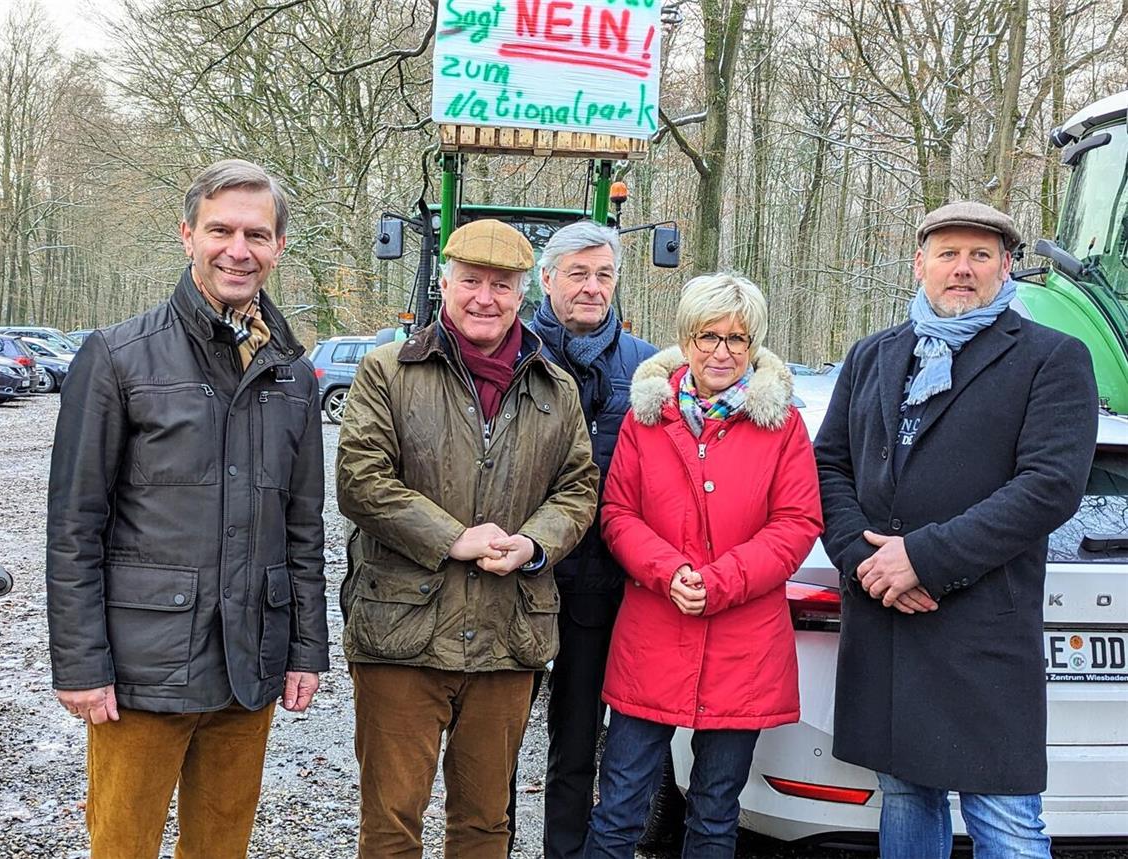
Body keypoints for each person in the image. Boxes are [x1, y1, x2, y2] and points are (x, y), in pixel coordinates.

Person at [46, 158, 329, 859]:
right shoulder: (117, 357)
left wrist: (305, 648)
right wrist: (81, 663)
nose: (239, 248)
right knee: (123, 844)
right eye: (221, 230)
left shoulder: (291, 372)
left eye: (257, 234)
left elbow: (302, 526)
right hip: (143, 670)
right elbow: (75, 525)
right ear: (187, 235)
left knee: (221, 847)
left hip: (247, 669)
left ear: (278, 247)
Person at [815, 201, 1098, 858]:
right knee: (908, 797)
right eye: (947, 253)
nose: (962, 268)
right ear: (920, 264)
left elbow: (1049, 485)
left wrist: (924, 557)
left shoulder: (1050, 358)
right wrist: (865, 559)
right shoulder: (872, 355)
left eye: (979, 254)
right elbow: (829, 464)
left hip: (980, 626)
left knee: (1005, 818)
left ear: (1006, 266)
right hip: (889, 625)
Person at [336, 218, 599, 858]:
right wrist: (453, 537)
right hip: (401, 632)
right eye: (472, 282)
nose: (486, 297)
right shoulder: (388, 372)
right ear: (444, 284)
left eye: (501, 285)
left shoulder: (554, 388)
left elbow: (579, 488)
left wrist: (534, 544)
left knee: (485, 823)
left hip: (508, 636)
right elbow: (360, 479)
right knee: (392, 822)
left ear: (522, 294)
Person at [582, 273, 823, 858]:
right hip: (654, 632)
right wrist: (668, 572)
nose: (722, 351)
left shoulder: (783, 426)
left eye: (737, 339)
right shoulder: (647, 420)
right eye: (708, 336)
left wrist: (718, 582)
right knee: (618, 810)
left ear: (754, 345)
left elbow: (796, 523)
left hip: (743, 641)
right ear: (686, 339)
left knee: (715, 814)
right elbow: (617, 513)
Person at [518, 220, 656, 859]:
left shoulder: (648, 368)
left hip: (600, 587)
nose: (592, 287)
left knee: (576, 744)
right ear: (546, 280)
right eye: (577, 273)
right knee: (494, 743)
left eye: (603, 274)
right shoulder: (511, 354)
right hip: (512, 582)